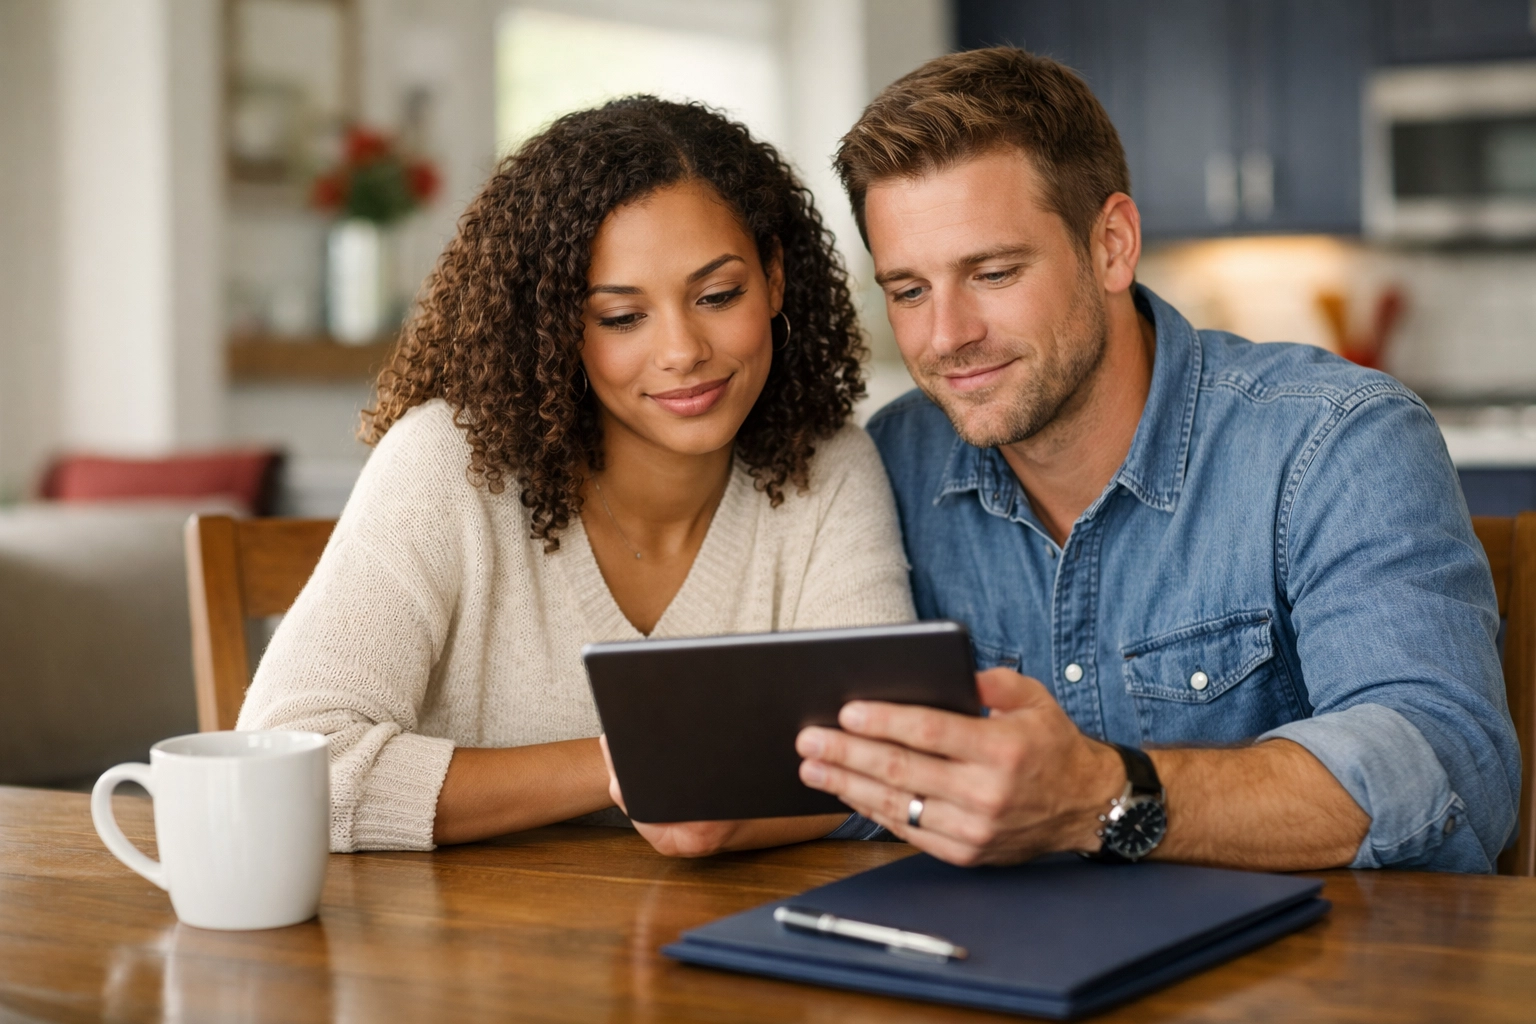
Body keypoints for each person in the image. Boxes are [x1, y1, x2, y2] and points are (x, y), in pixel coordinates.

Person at [794, 47, 1519, 873]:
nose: (944, 336)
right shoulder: (888, 467)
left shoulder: (1337, 442)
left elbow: (1447, 769)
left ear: (1111, 245)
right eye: (909, 291)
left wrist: (1101, 795)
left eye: (992, 273)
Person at [238, 97, 913, 856]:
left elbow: (885, 758)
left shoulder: (829, 467)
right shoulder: (448, 462)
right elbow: (289, 773)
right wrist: (624, 766)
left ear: (776, 280)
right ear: (558, 327)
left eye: (718, 296)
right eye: (622, 317)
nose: (683, 350)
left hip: (725, 942)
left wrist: (724, 818)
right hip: (448, 958)